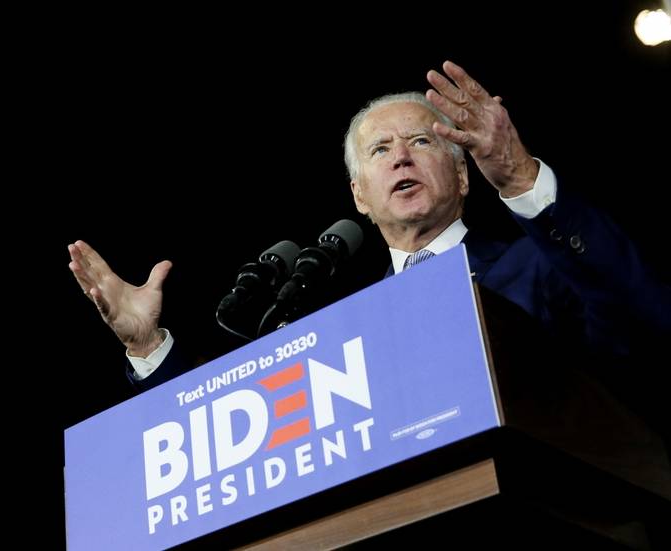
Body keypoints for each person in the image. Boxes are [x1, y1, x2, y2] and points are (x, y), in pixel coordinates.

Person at [68, 60, 670, 395]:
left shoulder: (536, 266)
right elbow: (238, 422)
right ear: (359, 194)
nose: (401, 157)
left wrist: (518, 179)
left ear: (462, 176)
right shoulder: (334, 321)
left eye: (419, 142)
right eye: (380, 150)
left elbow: (640, 318)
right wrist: (148, 348)